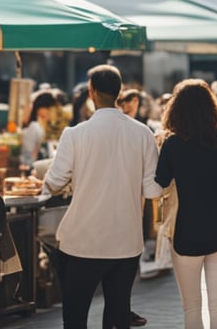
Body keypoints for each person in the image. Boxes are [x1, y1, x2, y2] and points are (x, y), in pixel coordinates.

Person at [44, 66, 163, 329]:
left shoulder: (74, 134)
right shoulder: (143, 133)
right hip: (126, 241)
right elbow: (153, 191)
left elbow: (53, 183)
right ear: (119, 92)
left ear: (92, 91)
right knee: (118, 316)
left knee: (75, 318)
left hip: (81, 241)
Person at [154, 79, 217, 329]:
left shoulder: (172, 144)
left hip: (186, 232)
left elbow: (160, 181)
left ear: (176, 109)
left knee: (191, 306)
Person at [21, 91, 58, 167]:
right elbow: (28, 155)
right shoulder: (34, 127)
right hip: (34, 168)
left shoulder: (47, 127)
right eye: (48, 109)